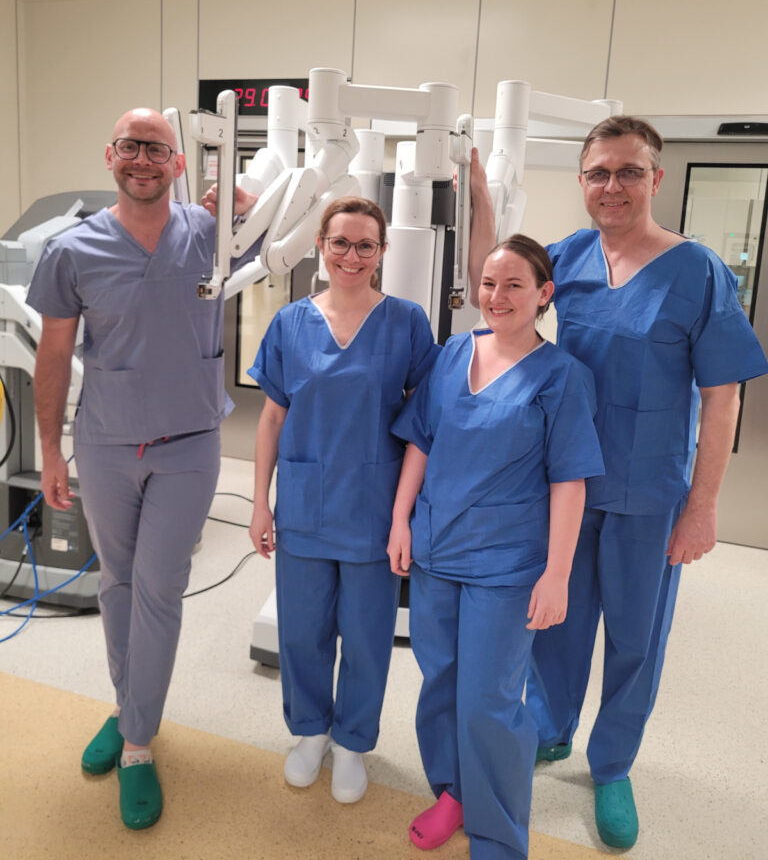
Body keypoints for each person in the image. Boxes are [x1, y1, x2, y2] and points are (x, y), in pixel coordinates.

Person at [517, 116, 768, 849]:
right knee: (556, 619)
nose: (613, 186)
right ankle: (548, 727)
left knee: (635, 636)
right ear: (582, 181)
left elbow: (723, 397)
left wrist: (703, 507)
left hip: (651, 491)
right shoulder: (568, 256)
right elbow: (501, 295)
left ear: (656, 179)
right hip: (570, 483)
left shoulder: (697, 271)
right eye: (599, 172)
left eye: (629, 171)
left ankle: (613, 764)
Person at [27, 107, 258, 830]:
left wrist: (245, 204)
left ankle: (135, 742)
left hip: (188, 443)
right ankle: (132, 708)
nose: (143, 159)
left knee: (159, 588)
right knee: (118, 585)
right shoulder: (72, 250)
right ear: (110, 156)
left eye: (157, 148)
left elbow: (277, 242)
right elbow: (54, 356)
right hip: (105, 442)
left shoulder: (209, 232)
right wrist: (50, 449)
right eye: (130, 146)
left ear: (178, 163)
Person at [388, 235, 605, 859]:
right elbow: (421, 441)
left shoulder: (561, 377)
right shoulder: (454, 352)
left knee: (490, 699)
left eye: (514, 284)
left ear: (544, 294)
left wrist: (557, 575)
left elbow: (570, 481)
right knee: (441, 681)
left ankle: (499, 834)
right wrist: (401, 520)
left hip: (506, 565)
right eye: (488, 283)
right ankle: (453, 793)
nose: (497, 295)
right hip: (437, 550)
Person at [248, 196, 440, 805]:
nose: (351, 256)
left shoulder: (407, 322)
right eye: (340, 243)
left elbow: (425, 425)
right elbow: (272, 417)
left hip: (374, 508)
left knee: (365, 634)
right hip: (304, 504)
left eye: (365, 245)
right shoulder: (290, 323)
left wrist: (406, 515)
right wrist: (259, 502)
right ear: (320, 246)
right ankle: (310, 733)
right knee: (302, 630)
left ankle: (353, 742)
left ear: (382, 252)